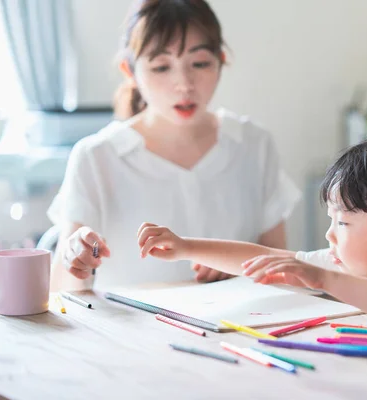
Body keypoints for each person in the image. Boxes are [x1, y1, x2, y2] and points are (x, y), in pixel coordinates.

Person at [48, 0, 300, 290]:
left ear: (220, 60)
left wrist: (235, 268)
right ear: (129, 71)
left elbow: (284, 274)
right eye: (161, 67)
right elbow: (66, 290)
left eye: (200, 63)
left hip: (236, 328)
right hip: (133, 332)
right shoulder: (96, 157)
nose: (184, 84)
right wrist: (77, 257)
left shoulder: (254, 145)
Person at [136, 136, 367, 329]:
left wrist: (325, 280)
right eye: (331, 220)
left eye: (343, 223)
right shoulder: (344, 265)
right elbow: (264, 260)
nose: (330, 235)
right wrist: (185, 247)